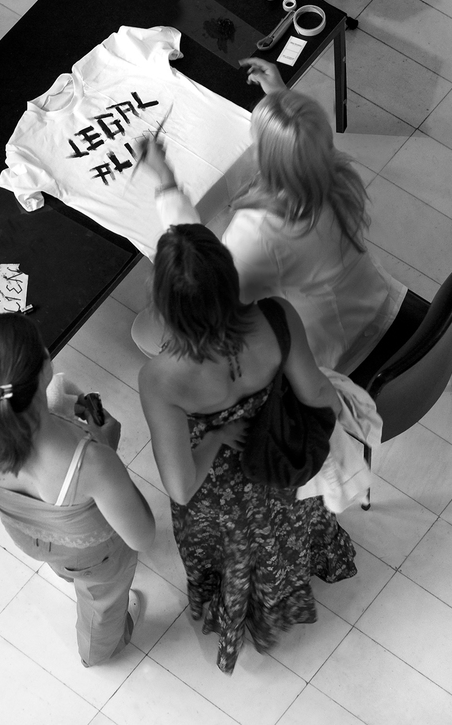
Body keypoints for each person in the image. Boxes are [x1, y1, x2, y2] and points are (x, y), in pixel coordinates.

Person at [138, 224, 357, 674]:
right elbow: (316, 393)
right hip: (280, 465)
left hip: (222, 501)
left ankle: (242, 614)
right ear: (229, 275)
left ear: (164, 303)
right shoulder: (276, 316)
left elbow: (180, 487)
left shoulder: (161, 378)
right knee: (287, 534)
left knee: (237, 551)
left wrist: (217, 436)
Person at [132, 58, 408, 375]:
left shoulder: (260, 229)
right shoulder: (335, 172)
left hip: (331, 353)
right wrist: (280, 97)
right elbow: (313, 140)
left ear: (266, 158)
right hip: (375, 302)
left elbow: (205, 268)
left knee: (145, 330)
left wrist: (166, 180)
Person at [0, 313, 155, 667]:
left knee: (60, 561)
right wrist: (105, 447)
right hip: (94, 558)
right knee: (102, 604)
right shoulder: (92, 461)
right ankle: (99, 651)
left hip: (27, 534)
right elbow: (141, 537)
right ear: (47, 366)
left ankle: (64, 575)